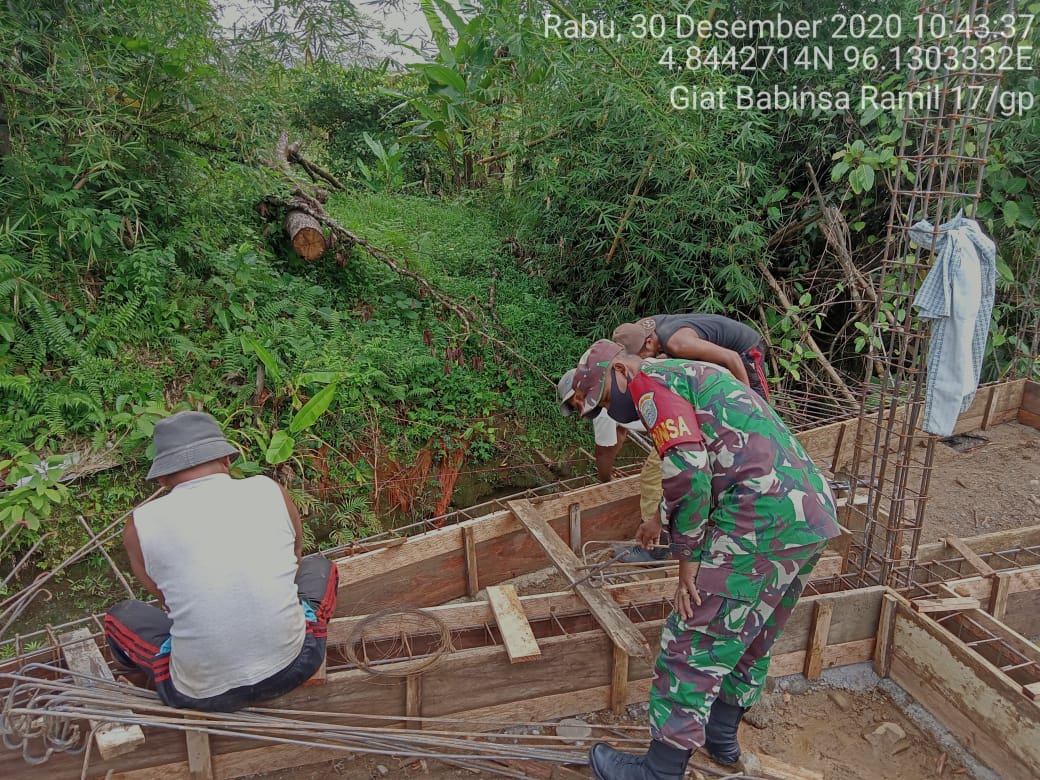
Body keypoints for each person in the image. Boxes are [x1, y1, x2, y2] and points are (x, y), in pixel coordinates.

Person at [571, 341, 840, 780]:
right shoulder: (687, 373)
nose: (609, 409)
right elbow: (716, 455)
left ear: (619, 370)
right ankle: (721, 737)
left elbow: (690, 471)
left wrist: (687, 561)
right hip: (808, 511)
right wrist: (661, 520)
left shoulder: (646, 382)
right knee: (752, 631)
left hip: (760, 517)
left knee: (693, 640)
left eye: (603, 399)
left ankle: (658, 771)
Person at [104, 411, 338, 712]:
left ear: (162, 478)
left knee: (120, 616)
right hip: (296, 665)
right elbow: (295, 559)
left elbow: (164, 599)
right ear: (227, 460)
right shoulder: (269, 489)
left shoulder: (139, 526)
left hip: (201, 695)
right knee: (321, 568)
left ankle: (136, 676)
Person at [558, 362, 667, 560]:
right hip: (681, 411)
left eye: (578, 400)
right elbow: (620, 433)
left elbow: (604, 452)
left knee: (652, 480)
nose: (580, 408)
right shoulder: (611, 384)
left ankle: (653, 550)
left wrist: (606, 482)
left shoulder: (601, 404)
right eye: (575, 407)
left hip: (675, 420)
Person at [613, 314, 770, 402]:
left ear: (648, 343)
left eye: (639, 357)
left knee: (759, 400)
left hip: (744, 349)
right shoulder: (642, 328)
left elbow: (732, 357)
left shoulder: (678, 344)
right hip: (715, 350)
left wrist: (748, 399)